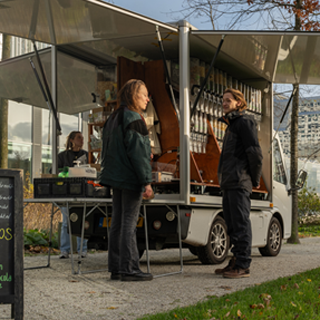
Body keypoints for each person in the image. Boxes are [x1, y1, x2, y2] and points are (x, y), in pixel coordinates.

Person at [100, 79, 153, 282]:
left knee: (118, 223)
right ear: (133, 95)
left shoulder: (113, 118)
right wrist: (146, 182)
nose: (147, 99)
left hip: (115, 178)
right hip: (130, 178)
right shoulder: (134, 119)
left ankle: (116, 268)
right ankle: (129, 268)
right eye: (144, 94)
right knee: (129, 224)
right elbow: (138, 154)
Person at [215, 88, 263, 279]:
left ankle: (243, 265)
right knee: (232, 225)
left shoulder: (244, 122)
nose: (224, 103)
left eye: (229, 100)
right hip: (229, 182)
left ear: (239, 103)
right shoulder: (231, 126)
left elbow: (255, 153)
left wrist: (255, 179)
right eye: (223, 100)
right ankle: (236, 260)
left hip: (239, 181)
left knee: (241, 223)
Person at [58, 131, 88, 259]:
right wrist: (67, 172)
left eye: (82, 138)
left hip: (83, 191)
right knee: (66, 222)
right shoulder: (63, 156)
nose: (82, 140)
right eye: (79, 138)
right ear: (71, 140)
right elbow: (54, 171)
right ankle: (65, 250)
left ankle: (83, 249)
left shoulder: (86, 155)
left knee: (83, 220)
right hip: (67, 191)